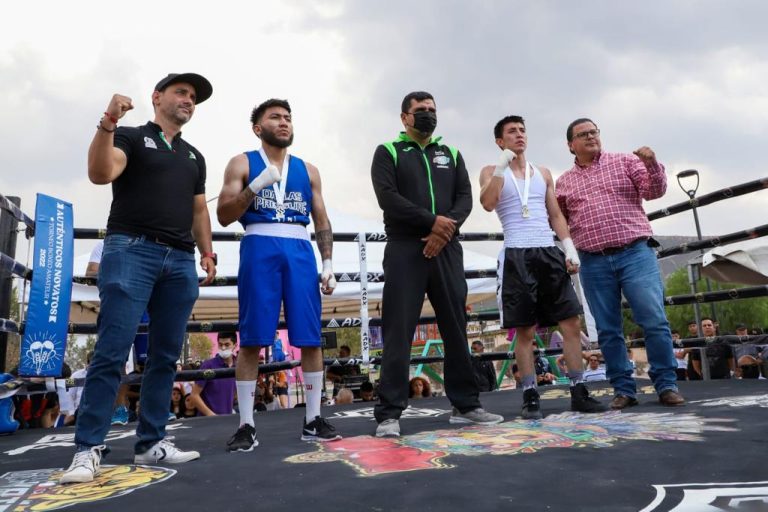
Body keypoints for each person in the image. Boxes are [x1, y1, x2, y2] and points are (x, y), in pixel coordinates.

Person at [60, 73, 217, 484]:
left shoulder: (194, 156)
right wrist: (108, 121)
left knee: (166, 357)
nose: (188, 100)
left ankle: (151, 443)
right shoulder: (130, 136)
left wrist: (206, 251)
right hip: (132, 249)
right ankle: (87, 448)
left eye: (193, 97)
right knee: (112, 351)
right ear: (157, 97)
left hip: (181, 259)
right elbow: (100, 173)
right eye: (181, 92)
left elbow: (199, 210)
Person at [370, 91, 503, 438]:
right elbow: (388, 198)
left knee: (456, 327)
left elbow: (465, 198)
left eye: (432, 109)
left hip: (447, 246)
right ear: (404, 117)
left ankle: (466, 405)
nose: (428, 114)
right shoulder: (389, 152)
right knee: (398, 330)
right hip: (404, 248)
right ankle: (389, 414)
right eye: (420, 110)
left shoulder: (451, 152)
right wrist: (432, 223)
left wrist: (444, 230)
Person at [217, 98, 340, 451]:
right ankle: (246, 425)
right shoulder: (242, 162)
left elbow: (322, 220)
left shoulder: (309, 169)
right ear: (258, 127)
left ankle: (313, 419)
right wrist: (255, 187)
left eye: (288, 117)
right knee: (254, 336)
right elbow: (225, 215)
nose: (284, 122)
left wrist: (328, 262)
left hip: (300, 249)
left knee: (311, 337)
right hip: (259, 245)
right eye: (275, 117)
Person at [479, 114, 605, 419]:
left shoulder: (543, 172)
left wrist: (569, 248)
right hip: (516, 252)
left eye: (522, 130)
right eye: (512, 131)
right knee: (524, 329)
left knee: (571, 322)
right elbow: (488, 202)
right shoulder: (489, 171)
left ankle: (578, 389)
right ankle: (530, 394)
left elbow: (556, 215)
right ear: (500, 140)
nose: (519, 135)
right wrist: (501, 164)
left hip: (547, 250)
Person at [556, 118, 684, 410]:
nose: (590, 137)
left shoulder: (625, 161)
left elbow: (654, 191)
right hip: (592, 259)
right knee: (608, 329)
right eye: (583, 134)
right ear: (570, 145)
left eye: (594, 132)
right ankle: (624, 389)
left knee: (653, 319)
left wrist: (652, 163)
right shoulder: (564, 182)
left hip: (635, 252)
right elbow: (560, 221)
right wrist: (569, 252)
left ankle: (666, 385)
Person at [188, 332, 237, 416]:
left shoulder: (238, 366)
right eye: (220, 344)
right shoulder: (208, 365)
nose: (223, 348)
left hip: (226, 419)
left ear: (235, 345)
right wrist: (211, 415)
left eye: (227, 344)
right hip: (207, 422)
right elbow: (194, 395)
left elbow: (233, 393)